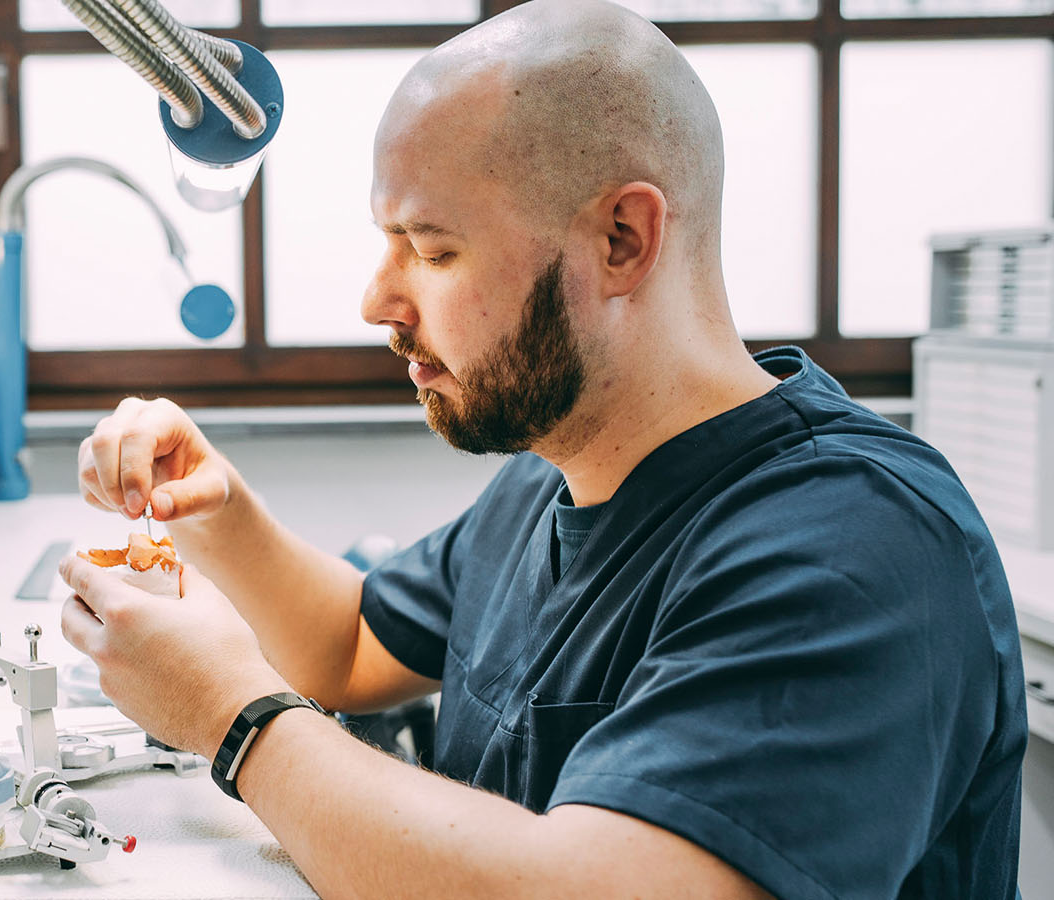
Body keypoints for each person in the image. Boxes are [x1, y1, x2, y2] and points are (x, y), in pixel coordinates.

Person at [55, 0, 1027, 896]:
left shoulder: (854, 547)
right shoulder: (551, 472)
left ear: (620, 239)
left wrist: (239, 721)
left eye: (433, 251)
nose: (377, 304)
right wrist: (219, 510)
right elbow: (350, 646)